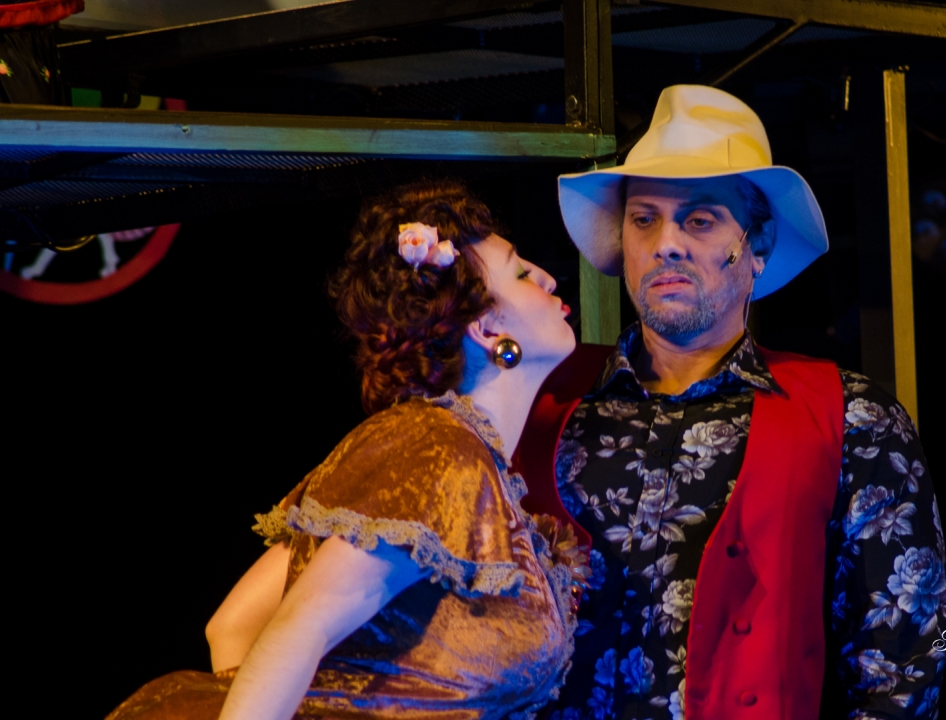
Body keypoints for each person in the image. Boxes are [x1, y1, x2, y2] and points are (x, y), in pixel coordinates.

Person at [514, 86, 946, 720]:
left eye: (698, 220)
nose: (666, 242)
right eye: (644, 219)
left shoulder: (852, 418)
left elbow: (902, 674)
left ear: (757, 245)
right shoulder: (542, 399)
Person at [107, 179, 587, 720]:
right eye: (522, 273)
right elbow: (302, 624)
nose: (548, 277)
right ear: (486, 328)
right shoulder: (438, 450)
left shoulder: (449, 454)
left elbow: (234, 625)